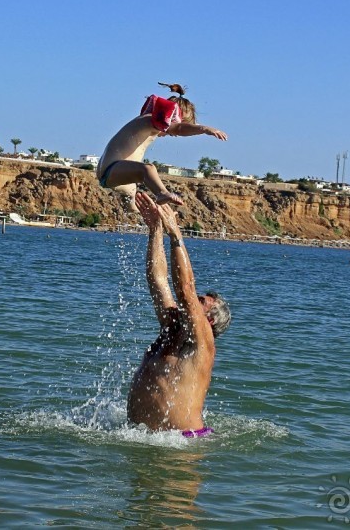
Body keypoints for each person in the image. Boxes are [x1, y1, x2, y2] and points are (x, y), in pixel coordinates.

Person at [127, 192, 231, 436]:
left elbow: (185, 289)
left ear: (210, 319)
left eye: (202, 302)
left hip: (183, 445)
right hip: (144, 439)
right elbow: (158, 280)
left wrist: (175, 234)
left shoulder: (204, 342)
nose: (194, 302)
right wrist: (155, 229)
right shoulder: (173, 327)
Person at [97, 83, 228, 212]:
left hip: (117, 175)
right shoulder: (151, 120)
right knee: (148, 169)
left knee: (134, 191)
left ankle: (136, 209)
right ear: (172, 118)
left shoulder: (146, 123)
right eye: (171, 131)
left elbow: (179, 127)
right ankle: (162, 193)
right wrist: (204, 129)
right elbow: (179, 128)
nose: (173, 135)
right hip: (111, 170)